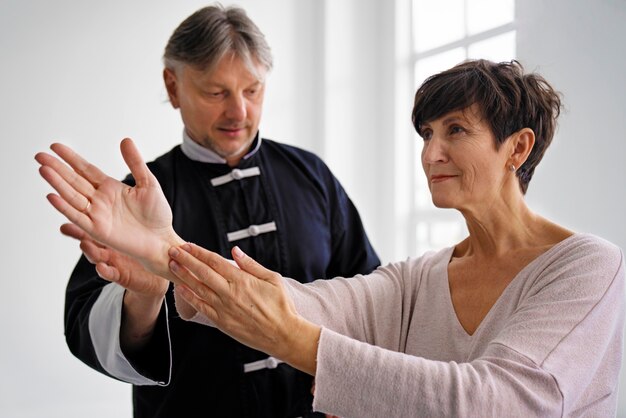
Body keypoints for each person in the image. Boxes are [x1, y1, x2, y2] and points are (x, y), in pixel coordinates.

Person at [36, 59, 625, 417]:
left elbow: (497, 404)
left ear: (516, 148)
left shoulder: (587, 269)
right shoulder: (419, 277)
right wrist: (164, 250)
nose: (430, 153)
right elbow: (308, 301)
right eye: (425, 133)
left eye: (455, 131)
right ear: (175, 86)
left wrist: (297, 342)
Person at [45, 4, 380, 418]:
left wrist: (356, 382)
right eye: (216, 92)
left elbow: (368, 295)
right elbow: (86, 330)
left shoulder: (310, 174)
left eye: (252, 90)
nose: (239, 111)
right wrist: (144, 295)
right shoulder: (136, 202)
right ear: (173, 86)